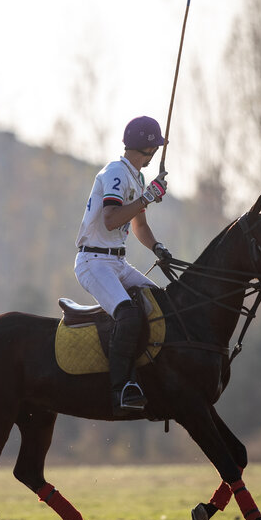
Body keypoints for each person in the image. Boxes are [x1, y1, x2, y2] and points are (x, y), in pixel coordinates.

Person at [74, 116, 172, 416]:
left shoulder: (137, 178)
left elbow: (138, 225)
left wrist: (157, 247)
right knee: (129, 315)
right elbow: (112, 219)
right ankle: (122, 389)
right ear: (149, 148)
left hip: (117, 262)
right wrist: (147, 197)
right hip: (93, 261)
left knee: (164, 306)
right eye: (155, 147)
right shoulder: (116, 172)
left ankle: (155, 381)